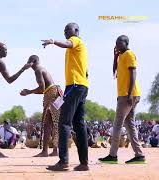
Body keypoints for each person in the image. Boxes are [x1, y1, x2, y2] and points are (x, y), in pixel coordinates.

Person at [42, 23, 89, 171]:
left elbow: (68, 43)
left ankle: (63, 162)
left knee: (64, 123)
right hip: (81, 86)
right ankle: (84, 163)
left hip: (74, 86)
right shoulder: (78, 49)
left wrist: (53, 41)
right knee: (79, 124)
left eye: (67, 30)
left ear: (76, 31)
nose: (65, 33)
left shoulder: (76, 41)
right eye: (64, 31)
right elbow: (85, 71)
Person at [99, 35, 146, 164]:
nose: (117, 45)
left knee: (117, 124)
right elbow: (114, 72)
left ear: (126, 43)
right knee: (129, 125)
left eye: (119, 43)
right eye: (116, 43)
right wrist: (115, 56)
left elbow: (133, 74)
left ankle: (113, 155)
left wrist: (130, 94)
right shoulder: (121, 56)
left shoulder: (130, 54)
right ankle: (139, 155)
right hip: (125, 95)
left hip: (128, 95)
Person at [20, 55, 61, 157]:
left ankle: (50, 151)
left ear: (33, 62)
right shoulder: (41, 69)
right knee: (49, 123)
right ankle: (48, 151)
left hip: (52, 94)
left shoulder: (38, 70)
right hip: (54, 93)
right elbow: (43, 89)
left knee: (53, 122)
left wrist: (29, 92)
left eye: (29, 62)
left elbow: (42, 88)